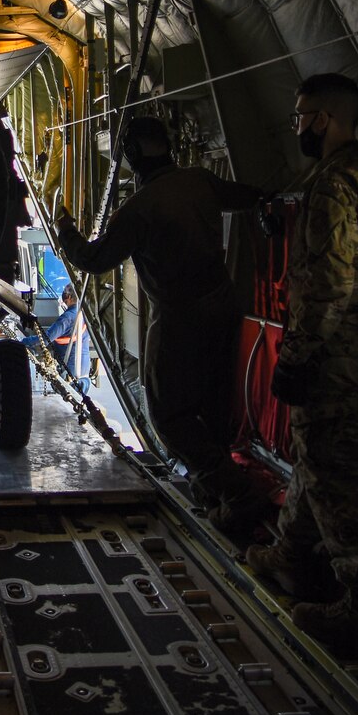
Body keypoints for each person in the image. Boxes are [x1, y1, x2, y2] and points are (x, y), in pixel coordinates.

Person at [243, 73, 358, 659]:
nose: (297, 127)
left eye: (301, 116)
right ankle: (290, 554)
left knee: (341, 474)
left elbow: (329, 283)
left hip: (334, 355)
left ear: (325, 120)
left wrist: (298, 354)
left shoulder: (336, 185)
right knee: (317, 457)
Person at [55, 116, 260, 508]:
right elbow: (247, 196)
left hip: (179, 319)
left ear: (131, 155)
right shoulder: (201, 181)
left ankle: (230, 488)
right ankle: (217, 495)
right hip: (224, 307)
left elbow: (93, 259)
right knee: (213, 405)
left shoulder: (139, 209)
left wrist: (65, 228)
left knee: (168, 416)